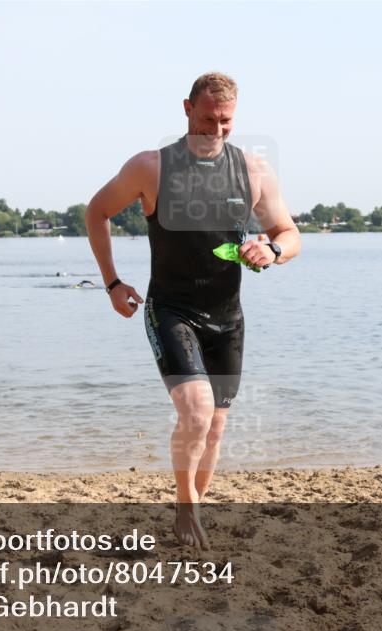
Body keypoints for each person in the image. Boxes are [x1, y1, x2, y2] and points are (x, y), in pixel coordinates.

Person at [85, 72, 301, 550]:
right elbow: (96, 211)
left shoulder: (253, 170)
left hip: (227, 316)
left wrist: (274, 251)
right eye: (208, 119)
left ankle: (191, 514)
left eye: (226, 122)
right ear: (186, 109)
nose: (218, 130)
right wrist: (113, 283)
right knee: (198, 412)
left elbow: (289, 232)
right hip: (172, 309)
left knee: (216, 424)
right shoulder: (151, 167)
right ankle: (185, 509)